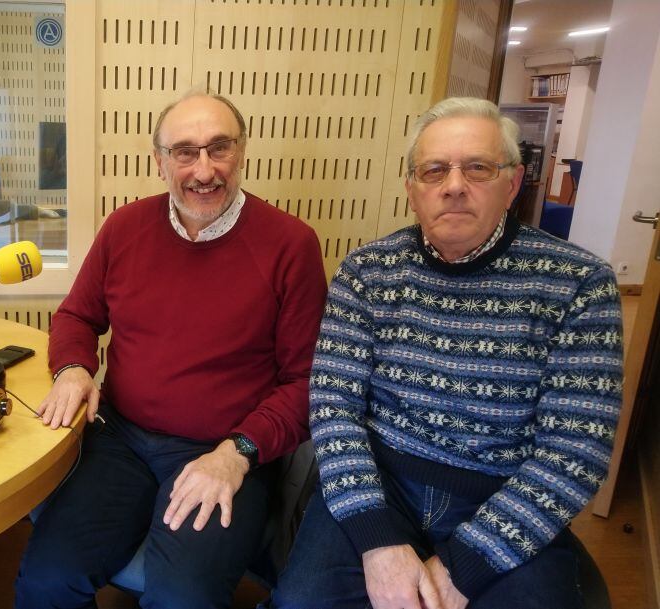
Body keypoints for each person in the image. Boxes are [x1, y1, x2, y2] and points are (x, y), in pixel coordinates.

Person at [266, 97, 624, 609]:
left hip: (502, 493)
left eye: (477, 167)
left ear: (512, 183)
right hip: (380, 484)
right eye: (434, 171)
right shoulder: (368, 272)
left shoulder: (579, 284)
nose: (454, 185)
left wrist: (466, 564)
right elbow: (333, 410)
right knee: (300, 602)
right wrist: (378, 540)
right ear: (412, 188)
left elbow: (576, 451)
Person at [14, 91, 327, 608]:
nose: (204, 170)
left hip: (224, 449)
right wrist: (72, 368)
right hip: (120, 440)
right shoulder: (124, 228)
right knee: (47, 578)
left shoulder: (291, 245)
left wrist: (237, 453)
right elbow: (76, 316)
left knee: (183, 597)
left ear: (242, 152)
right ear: (159, 161)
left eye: (218, 148)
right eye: (185, 152)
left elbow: (304, 382)